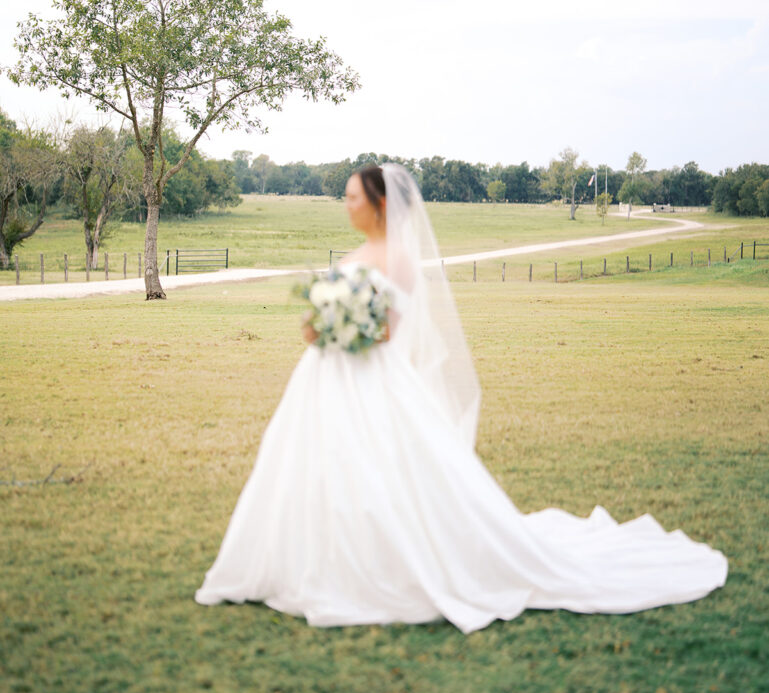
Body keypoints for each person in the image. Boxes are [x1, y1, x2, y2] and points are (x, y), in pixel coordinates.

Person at [194, 162, 727, 634]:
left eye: (353, 197)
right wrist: (319, 323)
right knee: (312, 464)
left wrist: (345, 322)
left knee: (384, 468)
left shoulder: (399, 259)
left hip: (374, 376)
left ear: (380, 203)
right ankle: (311, 560)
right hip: (323, 377)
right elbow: (315, 320)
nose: (346, 205)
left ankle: (387, 563)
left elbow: (389, 330)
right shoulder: (353, 255)